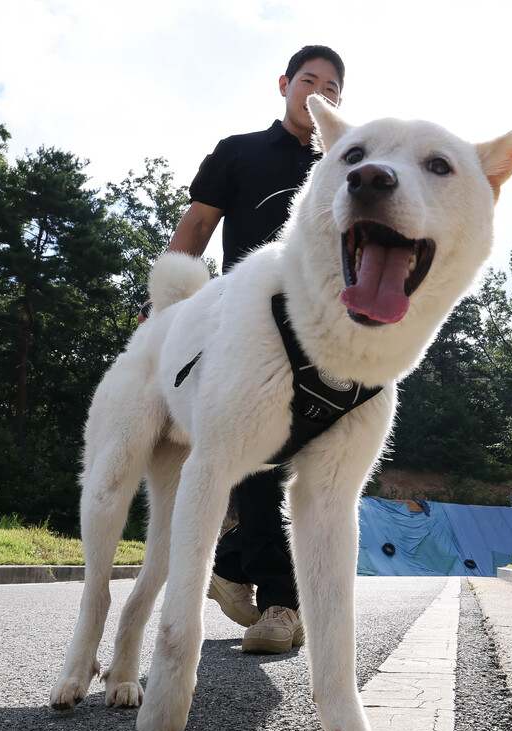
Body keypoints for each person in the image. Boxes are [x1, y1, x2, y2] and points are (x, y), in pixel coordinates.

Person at [164, 45, 345, 655]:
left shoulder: (348, 163)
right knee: (260, 459)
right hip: (245, 325)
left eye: (331, 85)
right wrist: (162, 310)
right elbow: (196, 227)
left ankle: (229, 562)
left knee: (316, 460)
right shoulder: (238, 152)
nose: (318, 91)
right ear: (284, 85)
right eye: (307, 80)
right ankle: (281, 606)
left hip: (327, 330)